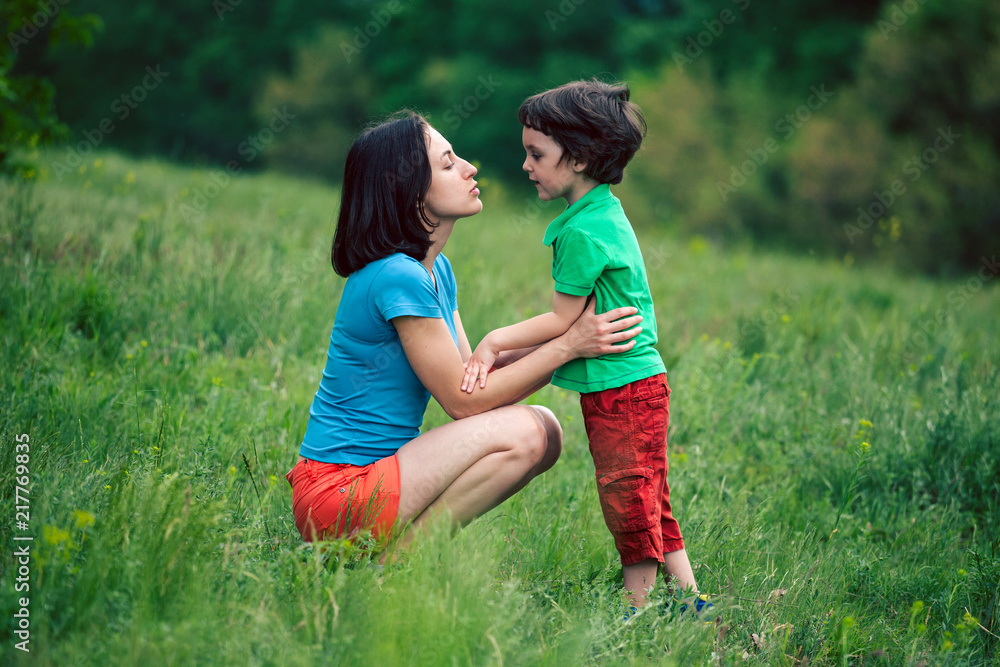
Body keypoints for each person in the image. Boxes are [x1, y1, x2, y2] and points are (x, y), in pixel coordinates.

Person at [285, 110, 644, 559]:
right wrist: (569, 344)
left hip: (375, 483)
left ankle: (392, 564)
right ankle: (396, 572)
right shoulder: (397, 276)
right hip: (338, 493)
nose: (470, 168)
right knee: (529, 432)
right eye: (448, 162)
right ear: (410, 187)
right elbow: (464, 404)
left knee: (545, 433)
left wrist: (568, 337)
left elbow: (474, 383)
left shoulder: (435, 272)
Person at [460, 80, 707, 612]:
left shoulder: (581, 233)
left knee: (628, 496)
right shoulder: (602, 213)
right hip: (639, 384)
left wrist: (492, 342)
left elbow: (561, 320)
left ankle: (635, 615)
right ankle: (691, 604)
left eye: (536, 154)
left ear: (578, 159)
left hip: (623, 389)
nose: (526, 165)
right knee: (650, 495)